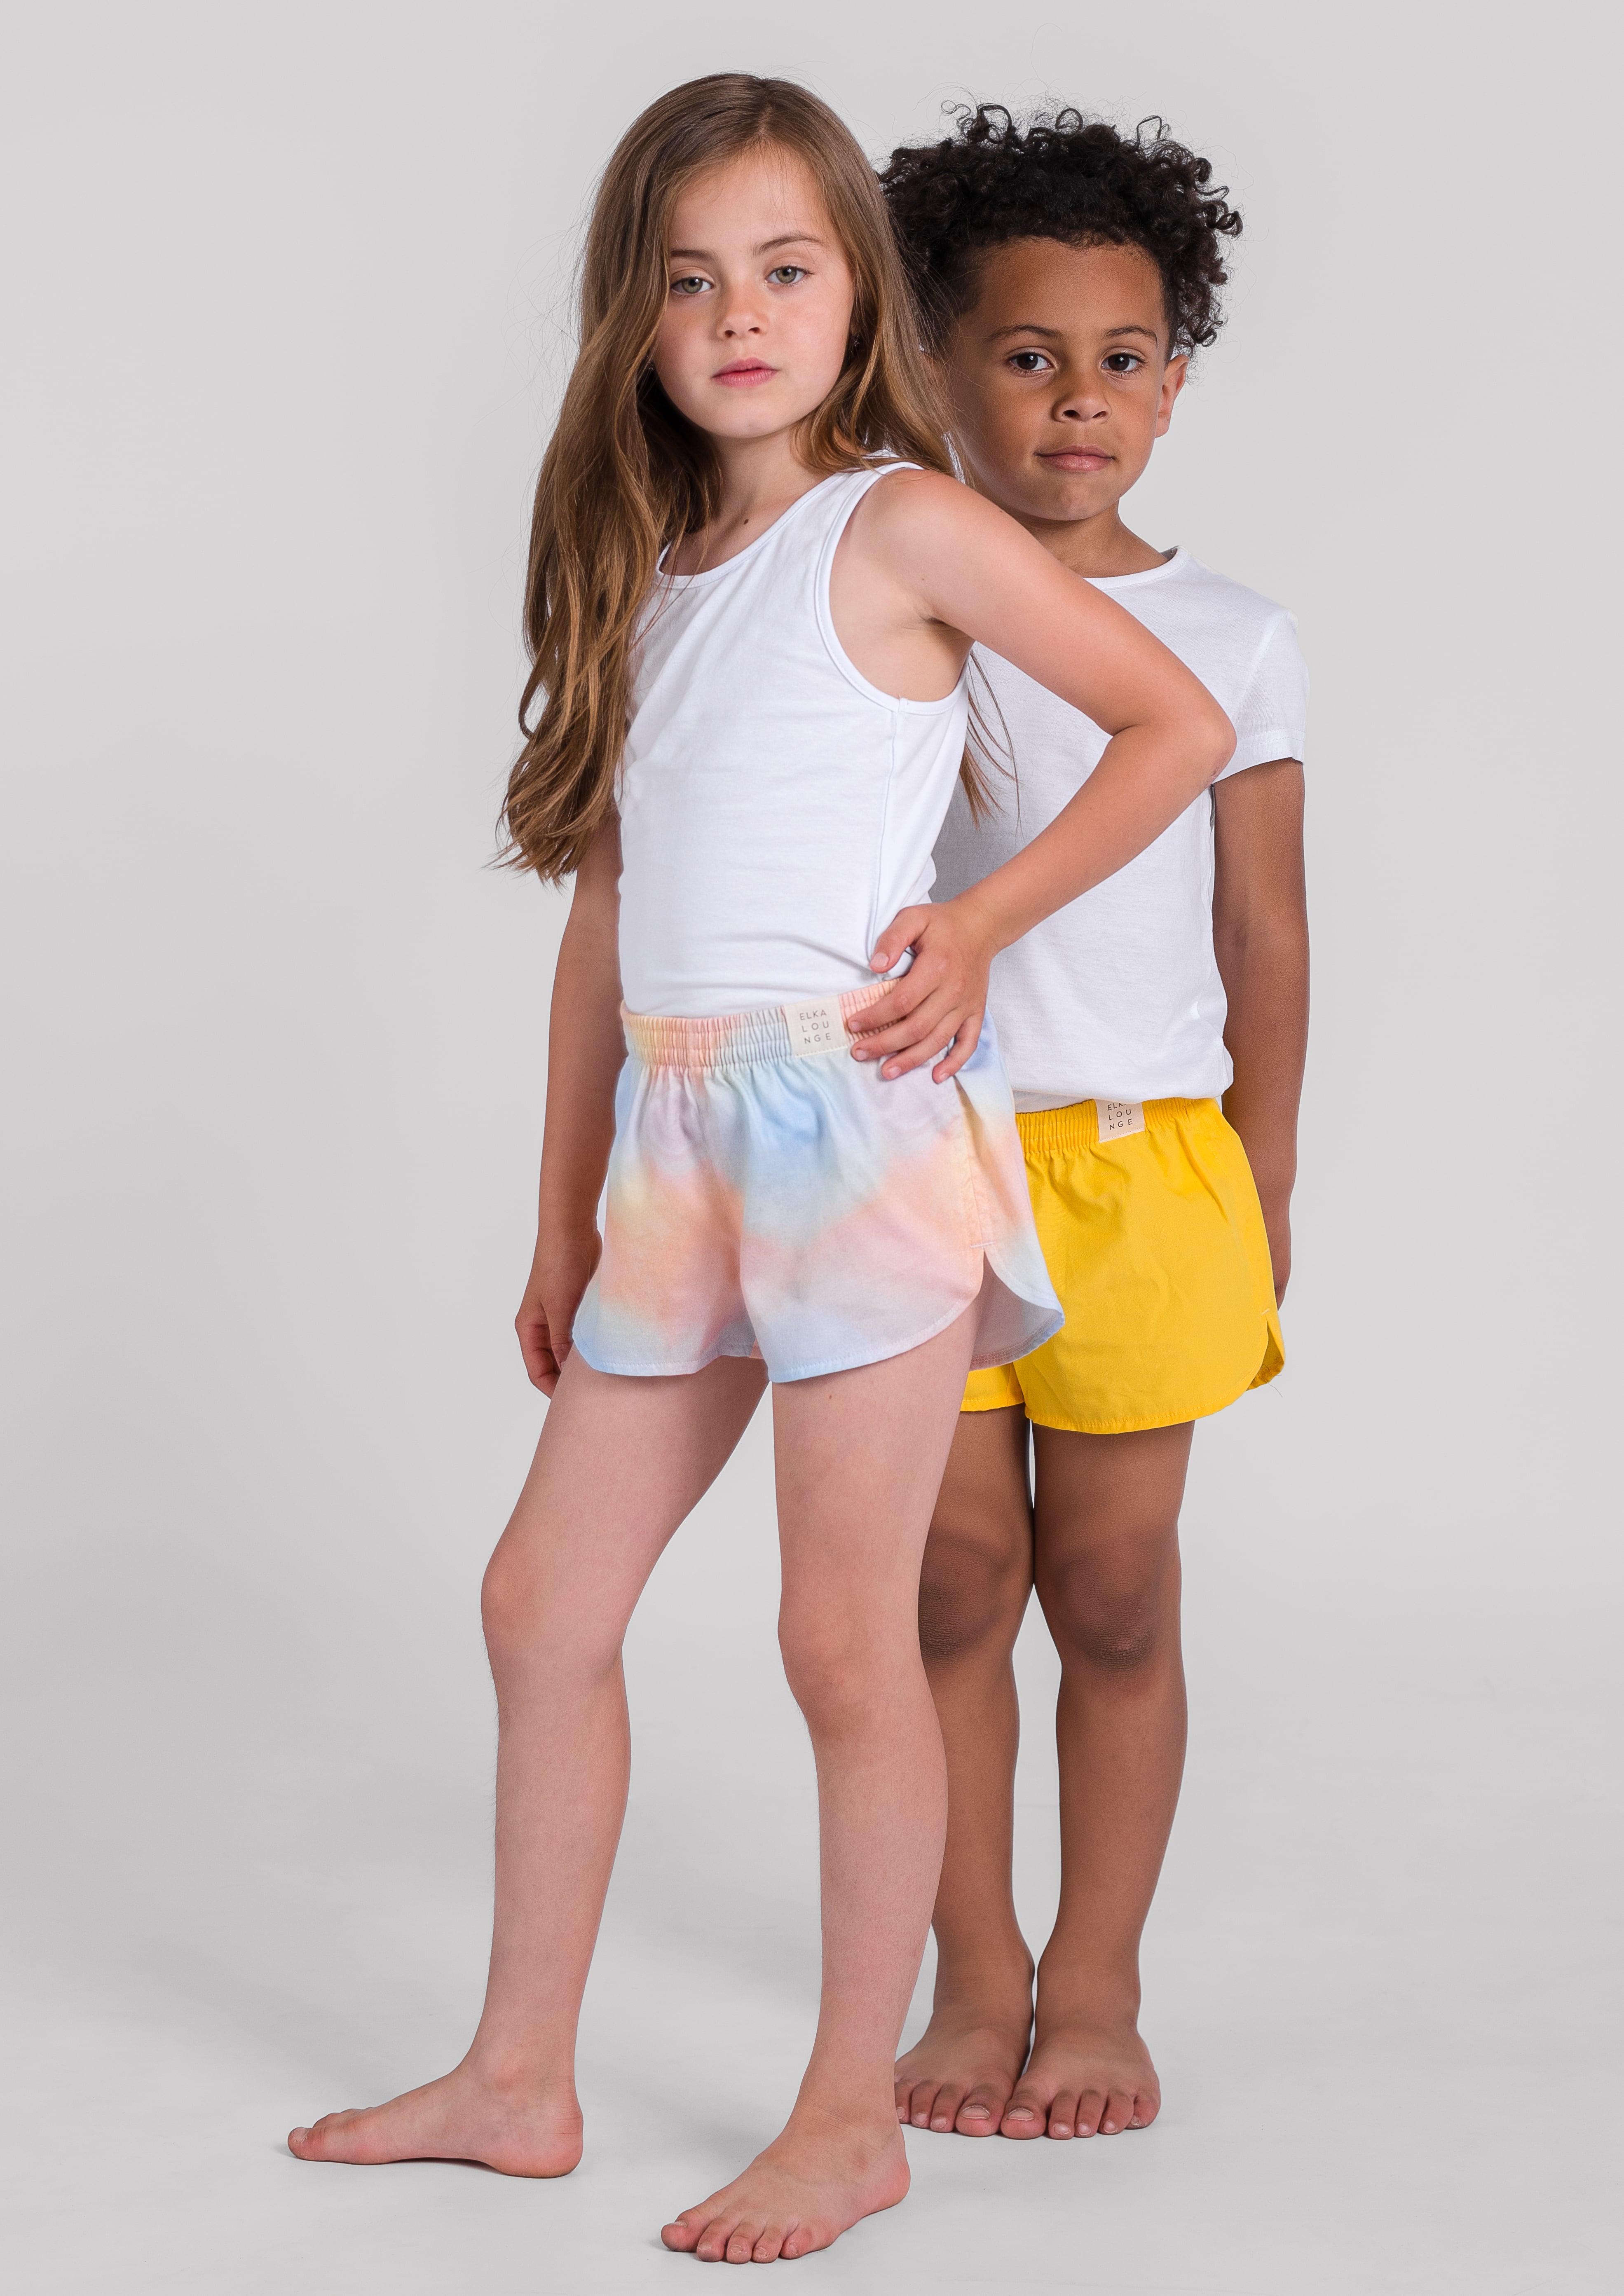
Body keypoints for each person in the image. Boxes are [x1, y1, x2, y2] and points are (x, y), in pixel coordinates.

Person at [287, 76, 1232, 2263]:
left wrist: (975, 927)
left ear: (854, 298)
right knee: (540, 1603)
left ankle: (844, 2115)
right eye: (690, 278)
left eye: (783, 270)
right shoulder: (652, 572)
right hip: (676, 1140)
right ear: (633, 317)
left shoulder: (896, 526)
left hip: (848, 1136)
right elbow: (608, 923)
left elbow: (1170, 724)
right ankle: (517, 2073)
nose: (736, 314)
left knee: (838, 1637)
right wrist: (561, 1207)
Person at [882, 108, 1310, 2145]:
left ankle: (1098, 1979)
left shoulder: (1232, 636)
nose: (1077, 397)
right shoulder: (891, 603)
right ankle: (973, 1973)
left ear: (1173, 377)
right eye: (1027, 354)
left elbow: (1262, 930)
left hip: (1146, 1169)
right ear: (934, 365)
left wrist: (1264, 1179)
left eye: (1120, 356)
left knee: (1114, 1591)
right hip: (919, 1155)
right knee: (949, 1585)